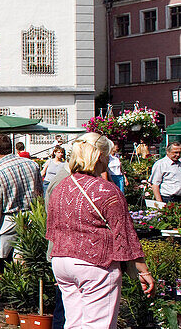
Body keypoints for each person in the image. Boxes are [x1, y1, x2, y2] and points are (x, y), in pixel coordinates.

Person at [47, 133, 153, 328]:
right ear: (99, 157)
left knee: (73, 324)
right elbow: (125, 233)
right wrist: (143, 270)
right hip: (96, 263)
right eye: (107, 155)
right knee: (98, 324)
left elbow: (53, 226)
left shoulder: (60, 187)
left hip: (62, 262)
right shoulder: (106, 190)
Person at [0, 134, 43, 313]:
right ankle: (22, 296)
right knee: (23, 257)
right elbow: (39, 194)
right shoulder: (32, 165)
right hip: (30, 214)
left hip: (8, 217)